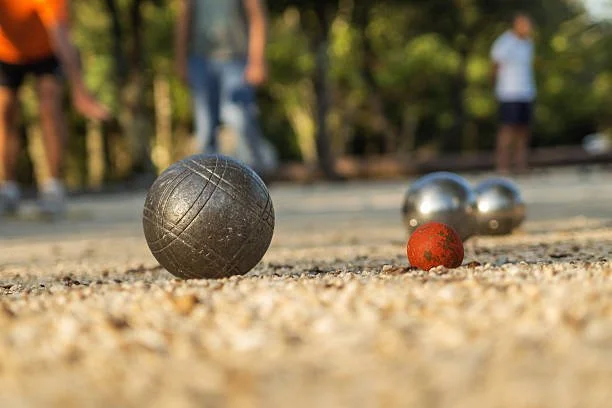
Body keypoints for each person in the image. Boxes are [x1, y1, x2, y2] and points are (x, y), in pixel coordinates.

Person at [0, 0, 109, 217]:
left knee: (50, 105)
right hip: (5, 52)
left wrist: (79, 91)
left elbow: (61, 35)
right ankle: (7, 189)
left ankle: (53, 187)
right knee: (5, 110)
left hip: (46, 50)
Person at [175, 0, 270, 175]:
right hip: (201, 60)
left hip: (236, 60)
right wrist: (181, 60)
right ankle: (207, 182)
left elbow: (256, 16)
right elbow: (184, 17)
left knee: (240, 118)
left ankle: (255, 177)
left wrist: (257, 60)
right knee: (205, 127)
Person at [491, 12, 536, 175]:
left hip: (526, 92)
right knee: (507, 131)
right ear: (516, 24)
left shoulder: (528, 43)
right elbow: (495, 65)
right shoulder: (505, 42)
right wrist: (495, 87)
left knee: (523, 131)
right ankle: (502, 167)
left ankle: (520, 165)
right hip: (509, 93)